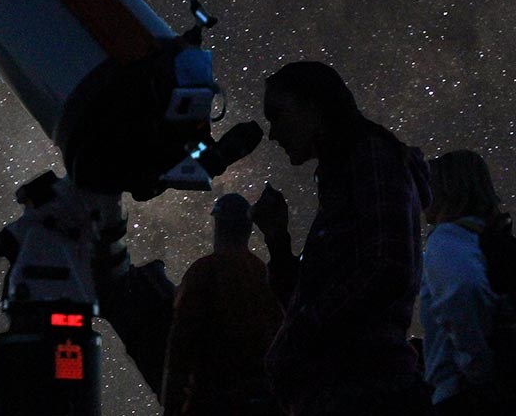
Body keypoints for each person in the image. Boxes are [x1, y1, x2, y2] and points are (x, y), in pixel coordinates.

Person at [252, 61, 433, 416]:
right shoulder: (347, 174)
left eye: (278, 114)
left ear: (315, 106)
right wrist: (277, 239)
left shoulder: (371, 157)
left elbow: (389, 267)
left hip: (363, 390)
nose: (272, 133)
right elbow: (308, 300)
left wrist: (306, 331)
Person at [162, 193, 283, 416]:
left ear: (218, 226)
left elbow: (181, 345)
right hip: (260, 400)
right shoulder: (262, 273)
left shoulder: (204, 271)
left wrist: (172, 406)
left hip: (211, 401)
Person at [420, 150, 516, 415]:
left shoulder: (448, 238)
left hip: (461, 394)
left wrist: (479, 370)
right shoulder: (490, 240)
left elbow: (462, 293)